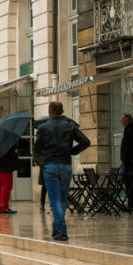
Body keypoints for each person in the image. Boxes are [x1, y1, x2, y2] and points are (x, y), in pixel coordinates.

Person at [34, 101, 90, 241]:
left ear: (49, 111)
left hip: (50, 165)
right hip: (65, 165)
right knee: (62, 199)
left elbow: (36, 148)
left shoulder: (43, 127)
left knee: (54, 200)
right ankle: (56, 227)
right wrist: (72, 151)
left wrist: (40, 161)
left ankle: (62, 230)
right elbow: (86, 141)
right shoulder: (70, 126)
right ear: (63, 111)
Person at [0, 141, 19, 214]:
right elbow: (9, 153)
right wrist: (14, 145)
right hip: (5, 167)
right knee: (6, 187)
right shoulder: (7, 140)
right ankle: (4, 207)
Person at [121, 114, 133, 212]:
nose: (121, 121)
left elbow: (128, 148)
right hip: (129, 163)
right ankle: (130, 204)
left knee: (129, 183)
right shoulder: (128, 130)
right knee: (128, 183)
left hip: (130, 163)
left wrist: (124, 161)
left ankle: (131, 204)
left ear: (128, 120)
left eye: (123, 119)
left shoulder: (130, 131)